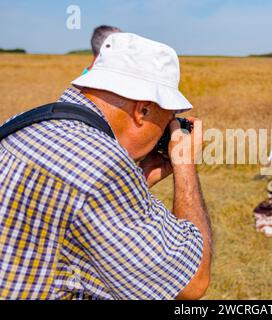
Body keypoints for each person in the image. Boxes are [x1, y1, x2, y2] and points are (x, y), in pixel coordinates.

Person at [0, 33, 212, 299]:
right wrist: (185, 163)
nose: (164, 132)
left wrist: (138, 180)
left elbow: (62, 214)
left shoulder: (25, 123)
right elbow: (190, 284)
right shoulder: (104, 167)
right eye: (168, 118)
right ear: (143, 110)